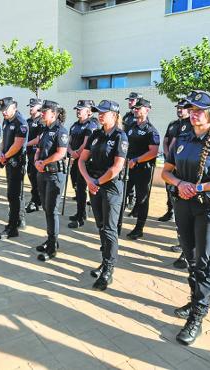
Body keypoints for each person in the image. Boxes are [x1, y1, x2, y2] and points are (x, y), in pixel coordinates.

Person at [161, 90, 210, 346]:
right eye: (191, 109)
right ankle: (196, 298)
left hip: (208, 209)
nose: (194, 114)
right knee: (191, 258)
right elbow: (166, 172)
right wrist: (180, 183)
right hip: (183, 205)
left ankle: (198, 315)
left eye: (199, 110)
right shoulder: (182, 139)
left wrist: (199, 187)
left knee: (204, 262)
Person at [78, 100, 128, 291]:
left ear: (114, 115)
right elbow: (82, 160)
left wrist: (97, 182)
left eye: (104, 112)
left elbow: (117, 166)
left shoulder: (120, 136)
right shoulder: (96, 134)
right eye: (98, 112)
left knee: (109, 228)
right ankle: (105, 259)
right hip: (95, 185)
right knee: (100, 226)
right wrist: (89, 180)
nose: (100, 115)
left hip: (110, 187)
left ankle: (108, 269)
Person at [33, 101, 69, 261]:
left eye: (44, 112)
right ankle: (50, 239)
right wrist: (36, 162)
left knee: (52, 210)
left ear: (53, 114)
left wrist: (44, 162)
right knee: (47, 208)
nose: (42, 114)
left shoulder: (60, 130)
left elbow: (61, 153)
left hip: (55, 175)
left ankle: (52, 247)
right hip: (42, 173)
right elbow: (39, 149)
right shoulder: (44, 130)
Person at [160, 99, 192, 269]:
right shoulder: (174, 125)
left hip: (188, 174)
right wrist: (169, 157)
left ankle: (187, 251)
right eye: (178, 108)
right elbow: (168, 143)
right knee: (179, 209)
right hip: (173, 170)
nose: (180, 110)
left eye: (183, 108)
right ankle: (184, 244)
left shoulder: (192, 125)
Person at [125, 98, 160, 240]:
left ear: (147, 110)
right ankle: (116, 223)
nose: (135, 110)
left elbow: (153, 152)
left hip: (143, 169)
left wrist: (136, 160)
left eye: (139, 108)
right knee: (122, 195)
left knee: (142, 199)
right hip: (128, 167)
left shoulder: (151, 130)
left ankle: (139, 228)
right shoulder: (131, 127)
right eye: (135, 108)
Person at [0, 97, 29, 239]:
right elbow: (5, 139)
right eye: (2, 110)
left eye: (6, 109)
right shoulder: (7, 120)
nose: (3, 112)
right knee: (11, 195)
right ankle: (13, 223)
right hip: (8, 161)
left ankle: (13, 227)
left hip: (16, 163)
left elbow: (18, 144)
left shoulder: (20, 122)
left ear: (14, 107)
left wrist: (5, 156)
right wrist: (1, 153)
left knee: (14, 196)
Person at [67, 100, 98, 228]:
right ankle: (80, 212)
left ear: (89, 111)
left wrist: (77, 153)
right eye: (77, 108)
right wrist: (70, 152)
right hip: (74, 160)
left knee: (81, 188)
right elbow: (68, 141)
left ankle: (81, 216)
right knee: (76, 187)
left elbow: (87, 143)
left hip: (85, 161)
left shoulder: (91, 125)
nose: (78, 111)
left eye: (81, 109)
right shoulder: (74, 125)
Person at [122, 92, 141, 211]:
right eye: (129, 100)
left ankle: (132, 200)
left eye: (132, 100)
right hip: (126, 150)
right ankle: (126, 199)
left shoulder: (140, 117)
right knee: (126, 176)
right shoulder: (126, 116)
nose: (130, 102)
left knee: (134, 178)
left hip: (136, 152)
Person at [25, 98, 44, 213]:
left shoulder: (41, 121)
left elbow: (39, 139)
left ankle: (37, 200)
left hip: (37, 153)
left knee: (37, 178)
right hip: (28, 153)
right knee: (31, 176)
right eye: (30, 106)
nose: (31, 108)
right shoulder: (27, 121)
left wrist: (24, 144)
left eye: (33, 106)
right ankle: (36, 199)